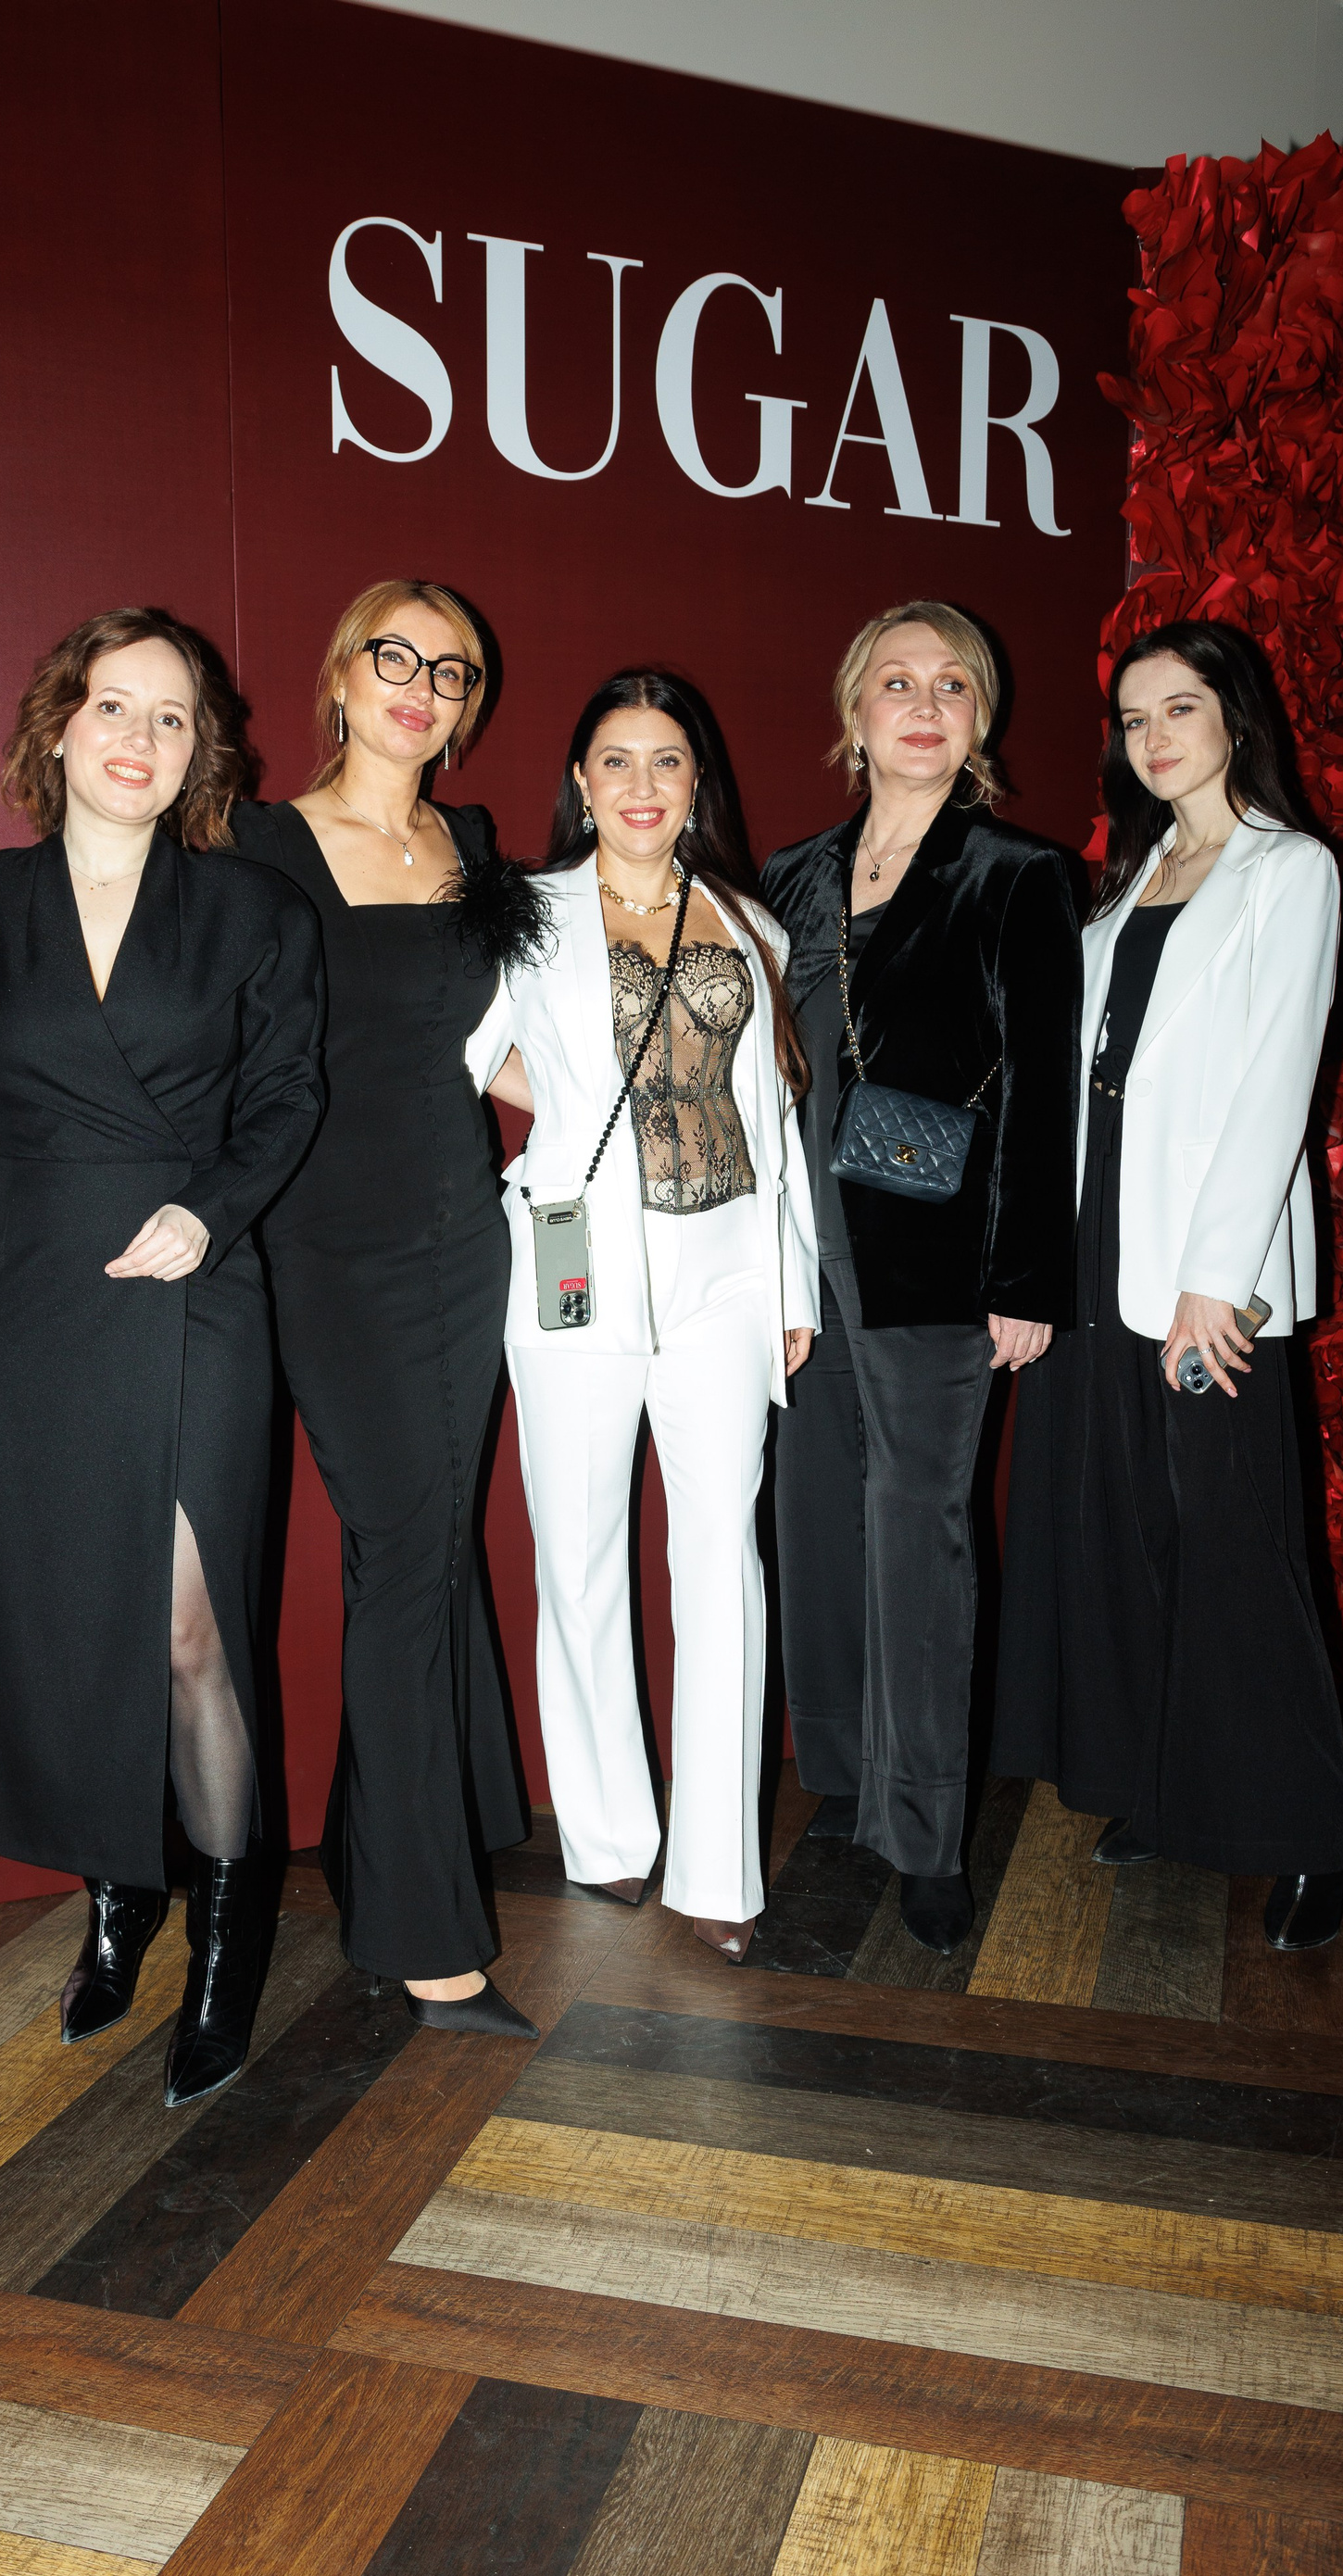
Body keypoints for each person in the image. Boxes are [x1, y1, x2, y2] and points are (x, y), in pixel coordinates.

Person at [0, 609, 325, 2106]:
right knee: (71, 1627)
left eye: (172, 717)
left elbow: (287, 1099)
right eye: (114, 706)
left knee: (192, 1631)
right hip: (31, 1303)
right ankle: (119, 1899)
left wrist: (210, 1211)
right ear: (59, 725)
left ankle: (226, 1945)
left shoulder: (254, 911)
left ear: (204, 752)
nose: (140, 738)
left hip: (197, 1287)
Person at [994, 619, 1343, 1951]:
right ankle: (1160, 1789)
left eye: (1179, 709)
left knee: (1236, 1544)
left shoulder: (1289, 870)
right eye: (1134, 718)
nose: (1153, 737)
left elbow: (1276, 1083)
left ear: (1234, 717)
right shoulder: (1135, 874)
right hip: (1102, 1249)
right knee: (1124, 1532)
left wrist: (1219, 1280)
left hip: (1209, 1268)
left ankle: (1305, 1833)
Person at [229, 582, 547, 2035]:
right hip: (323, 1243)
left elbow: (499, 1055)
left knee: (423, 1552)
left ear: (468, 707)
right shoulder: (257, 847)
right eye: (395, 656)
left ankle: (386, 1858)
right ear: (343, 678)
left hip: (462, 1236)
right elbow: (184, 1033)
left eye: (453, 670)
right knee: (409, 1554)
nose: (422, 684)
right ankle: (425, 1933)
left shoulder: (471, 848)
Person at [482, 671, 818, 1961]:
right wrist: (569, 1103)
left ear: (695, 782)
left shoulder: (749, 921)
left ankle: (720, 1870)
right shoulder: (525, 913)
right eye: (615, 760)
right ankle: (610, 1832)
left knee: (722, 1558)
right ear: (581, 781)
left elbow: (775, 1113)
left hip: (727, 1271)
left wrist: (792, 1284)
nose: (640, 784)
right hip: (575, 1269)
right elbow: (459, 1052)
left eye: (665, 760)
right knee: (577, 1552)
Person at [763, 601, 1081, 1955]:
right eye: (898, 681)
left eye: (953, 684)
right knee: (816, 1516)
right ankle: (843, 1773)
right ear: (855, 710)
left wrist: (1029, 1276)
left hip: (940, 1256)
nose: (925, 703)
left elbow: (1046, 1091)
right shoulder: (789, 877)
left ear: (979, 720)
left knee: (919, 1532)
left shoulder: (1020, 875)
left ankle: (928, 1832)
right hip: (799, 1251)